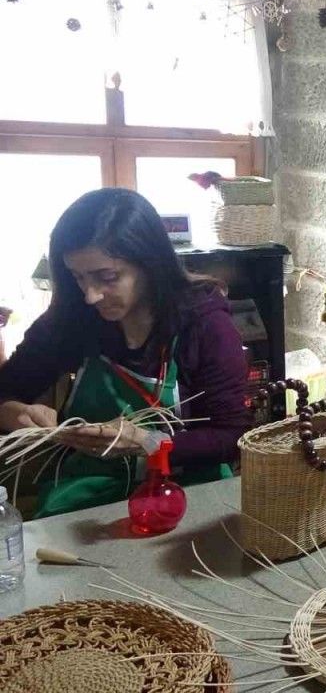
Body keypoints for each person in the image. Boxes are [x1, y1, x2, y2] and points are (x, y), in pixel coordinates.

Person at [0, 188, 250, 518]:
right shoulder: (72, 319)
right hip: (87, 499)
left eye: (107, 277)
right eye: (78, 277)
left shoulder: (204, 324)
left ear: (149, 264)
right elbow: (6, 389)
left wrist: (149, 443)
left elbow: (233, 436)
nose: (91, 295)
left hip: (185, 496)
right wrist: (14, 412)